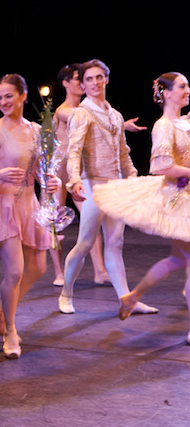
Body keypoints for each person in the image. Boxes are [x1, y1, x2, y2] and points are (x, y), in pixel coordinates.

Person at [92, 73, 190, 338]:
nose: (188, 90)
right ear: (166, 93)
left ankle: (132, 297)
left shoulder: (184, 122)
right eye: (182, 86)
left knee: (177, 259)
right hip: (178, 198)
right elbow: (161, 165)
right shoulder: (164, 126)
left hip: (186, 195)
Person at [58, 59, 158, 316]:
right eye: (89, 79)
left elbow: (123, 154)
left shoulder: (115, 115)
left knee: (116, 242)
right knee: (85, 243)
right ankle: (66, 292)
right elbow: (74, 150)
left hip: (115, 186)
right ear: (83, 84)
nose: (95, 83)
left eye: (99, 77)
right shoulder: (82, 113)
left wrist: (133, 179)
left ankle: (127, 300)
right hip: (94, 185)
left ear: (106, 79)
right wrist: (74, 180)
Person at [0, 73, 61, 359]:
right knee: (15, 270)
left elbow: (39, 171)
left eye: (8, 96)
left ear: (23, 96)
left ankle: (0, 315)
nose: (3, 102)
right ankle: (10, 329)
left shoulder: (36, 130)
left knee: (39, 266)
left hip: (29, 204)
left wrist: (53, 181)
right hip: (4, 204)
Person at [51, 63, 110, 287]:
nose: (81, 83)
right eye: (77, 79)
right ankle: (58, 272)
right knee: (55, 220)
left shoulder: (87, 110)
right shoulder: (63, 110)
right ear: (66, 83)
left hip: (78, 170)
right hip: (59, 172)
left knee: (90, 217)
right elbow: (78, 117)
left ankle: (100, 271)